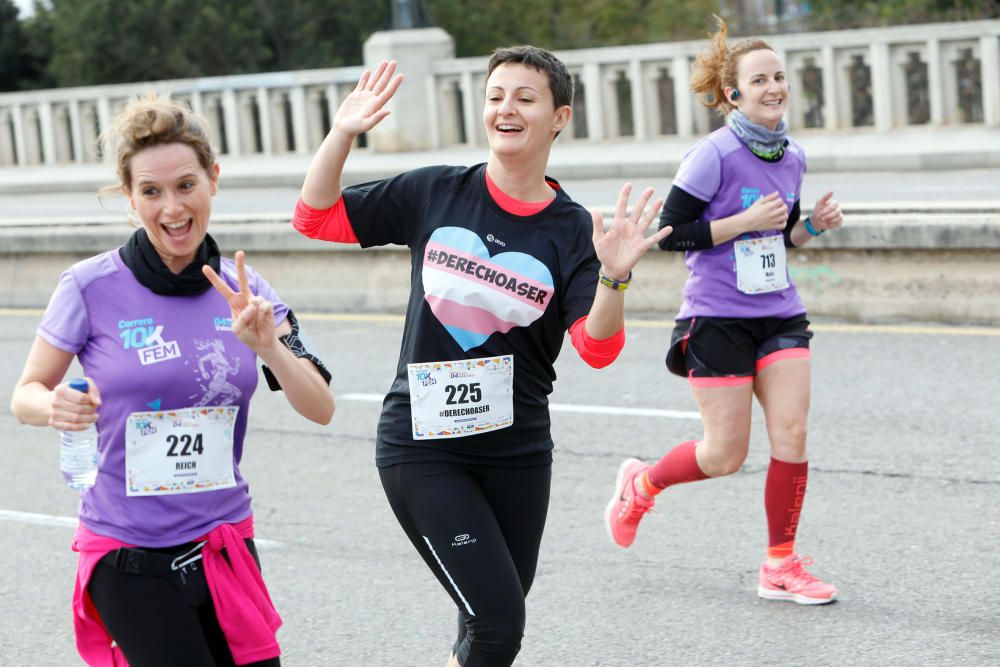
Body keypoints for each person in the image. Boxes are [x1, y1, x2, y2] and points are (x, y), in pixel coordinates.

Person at [292, 49, 670, 665]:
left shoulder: (574, 229)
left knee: (485, 625)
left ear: (559, 117)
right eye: (496, 95)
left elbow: (598, 349)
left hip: (517, 454)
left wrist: (614, 278)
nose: (506, 109)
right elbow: (317, 218)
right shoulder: (436, 192)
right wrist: (343, 133)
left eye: (525, 97)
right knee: (498, 623)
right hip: (423, 448)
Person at [10, 95, 335, 666]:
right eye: (152, 192)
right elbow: (25, 395)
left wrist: (269, 349)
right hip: (127, 555)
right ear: (130, 198)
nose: (172, 208)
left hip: (225, 547)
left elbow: (321, 407)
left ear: (213, 180)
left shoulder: (246, 287)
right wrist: (54, 406)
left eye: (186, 185)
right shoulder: (89, 286)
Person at [604, 16, 844, 605]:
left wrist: (812, 225)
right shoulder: (712, 155)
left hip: (780, 313)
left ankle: (780, 565)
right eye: (759, 80)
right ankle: (642, 482)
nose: (774, 87)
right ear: (733, 94)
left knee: (792, 432)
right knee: (724, 455)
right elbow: (670, 232)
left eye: (780, 77)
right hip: (715, 317)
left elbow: (779, 235)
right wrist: (742, 222)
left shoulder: (792, 157)